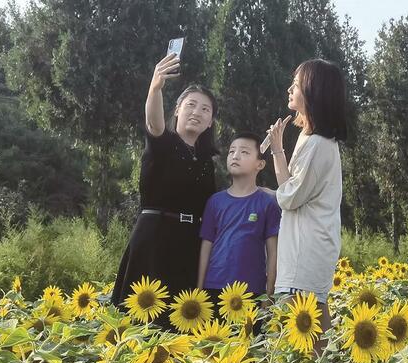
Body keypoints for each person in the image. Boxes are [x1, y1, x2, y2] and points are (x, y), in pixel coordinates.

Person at [111, 54, 219, 321]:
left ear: (211, 122)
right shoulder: (163, 143)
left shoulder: (208, 162)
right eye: (191, 105)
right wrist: (155, 87)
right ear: (178, 110)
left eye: (205, 109)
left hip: (190, 244)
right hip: (155, 241)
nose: (197, 112)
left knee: (182, 325)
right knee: (144, 323)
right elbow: (153, 123)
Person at [266, 59, 347, 349]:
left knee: (304, 335)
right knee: (313, 327)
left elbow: (289, 196)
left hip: (306, 248)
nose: (290, 89)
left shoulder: (316, 145)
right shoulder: (311, 139)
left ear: (313, 92)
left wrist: (275, 155)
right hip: (308, 244)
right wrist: (278, 151)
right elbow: (292, 188)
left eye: (297, 84)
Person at [197, 132, 281, 316]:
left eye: (244, 152)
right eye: (231, 151)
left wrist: (269, 295)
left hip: (252, 292)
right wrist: (199, 291)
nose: (235, 156)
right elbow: (206, 247)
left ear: (260, 164)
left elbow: (273, 253)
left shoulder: (267, 203)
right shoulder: (215, 202)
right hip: (214, 288)